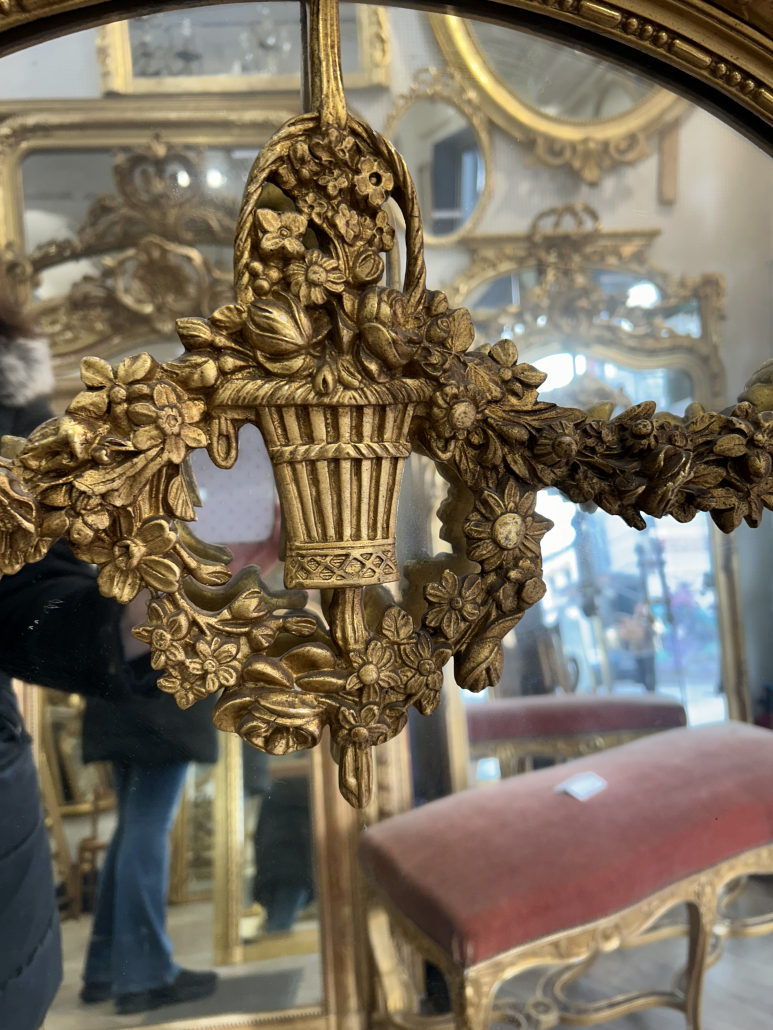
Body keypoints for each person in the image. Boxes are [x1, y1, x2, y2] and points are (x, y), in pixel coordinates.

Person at [0, 286, 216, 1025]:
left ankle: (113, 970)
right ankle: (138, 971)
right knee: (144, 831)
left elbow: (31, 591)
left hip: (129, 681)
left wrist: (126, 624)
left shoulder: (20, 410)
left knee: (137, 829)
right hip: (150, 707)